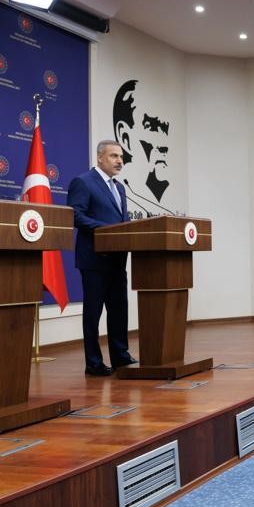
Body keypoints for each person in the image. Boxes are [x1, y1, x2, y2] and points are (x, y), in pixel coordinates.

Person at [68, 140, 137, 376]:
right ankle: (94, 362)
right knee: (93, 313)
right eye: (114, 156)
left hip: (117, 259)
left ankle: (120, 355)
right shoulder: (83, 182)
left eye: (121, 157)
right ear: (99, 158)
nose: (119, 161)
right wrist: (106, 230)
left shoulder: (120, 188)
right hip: (94, 259)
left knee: (119, 309)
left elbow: (122, 221)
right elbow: (75, 215)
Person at [113, 79, 172, 207]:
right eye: (151, 127)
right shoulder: (121, 188)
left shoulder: (122, 189)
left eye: (164, 128)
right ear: (125, 137)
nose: (163, 145)